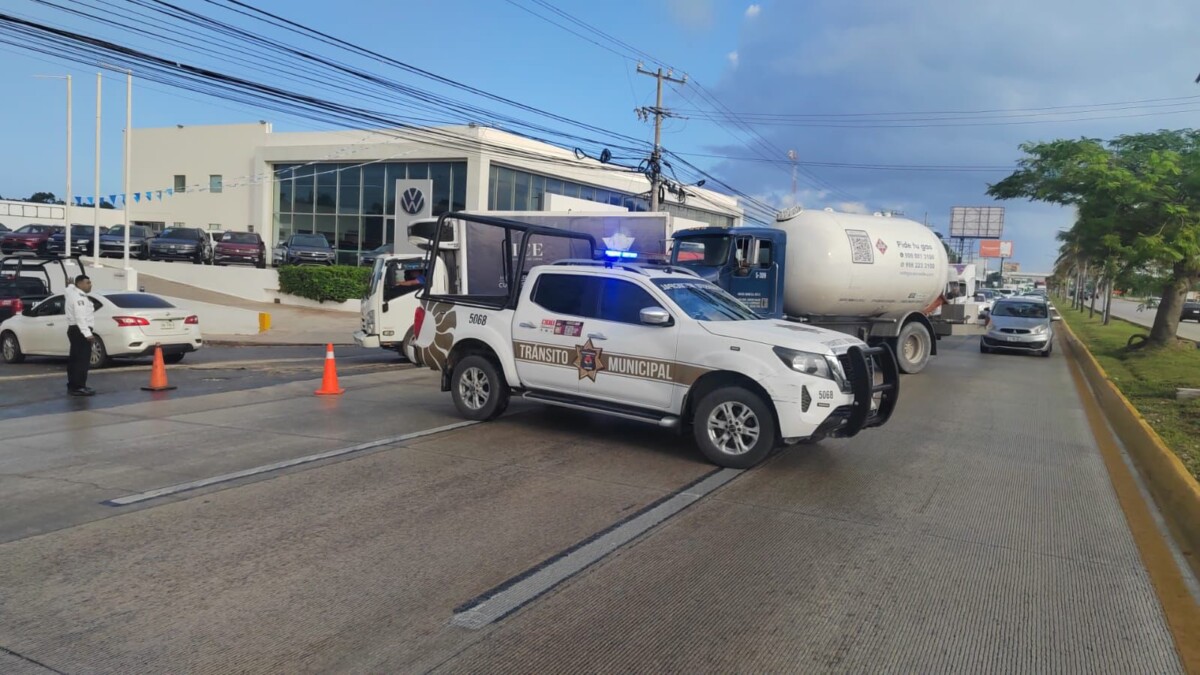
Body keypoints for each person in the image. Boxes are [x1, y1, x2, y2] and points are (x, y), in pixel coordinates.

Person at [65, 274, 96, 396]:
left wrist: (69, 286)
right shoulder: (79, 298)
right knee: (81, 361)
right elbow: (80, 318)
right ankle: (78, 387)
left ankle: (74, 385)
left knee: (75, 359)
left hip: (75, 330)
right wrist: (88, 334)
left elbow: (68, 291)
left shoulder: (73, 293)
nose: (90, 285)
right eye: (87, 283)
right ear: (79, 284)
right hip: (80, 331)